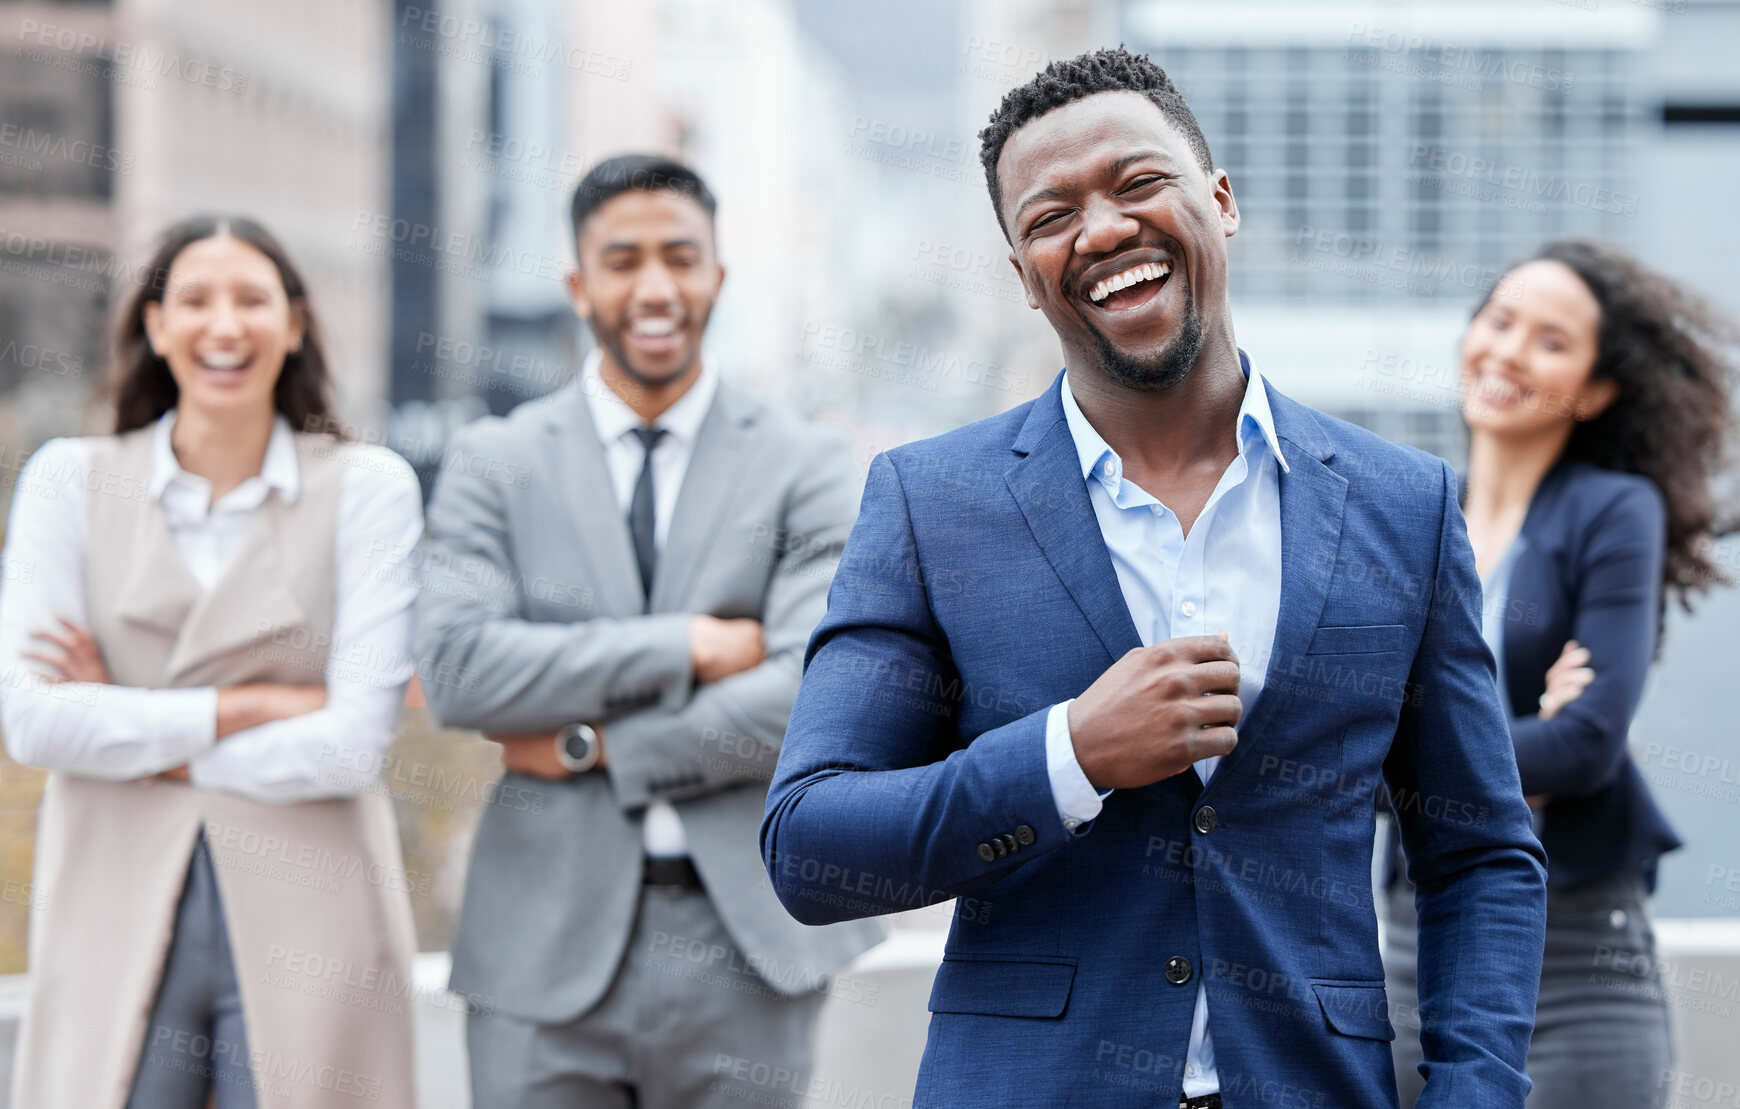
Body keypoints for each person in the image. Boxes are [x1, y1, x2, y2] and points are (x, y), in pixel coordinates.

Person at [762, 48, 1548, 1109]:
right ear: (1022, 275)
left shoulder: (1398, 506)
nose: (1099, 230)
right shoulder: (926, 503)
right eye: (1049, 217)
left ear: (1219, 202)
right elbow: (810, 845)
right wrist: (1068, 754)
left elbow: (1478, 856)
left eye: (1137, 184)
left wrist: (1474, 1093)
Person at [412, 154, 881, 1109]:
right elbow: (460, 670)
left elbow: (809, 692)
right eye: (623, 260)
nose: (656, 286)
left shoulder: (809, 463)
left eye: (681, 256)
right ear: (578, 286)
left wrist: (590, 743)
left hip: (749, 944)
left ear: (719, 275)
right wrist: (689, 646)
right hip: (538, 949)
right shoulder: (493, 462)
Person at [1, 215, 422, 1108]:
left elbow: (352, 745)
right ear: (154, 325)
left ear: (296, 323)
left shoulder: (368, 487)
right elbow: (33, 720)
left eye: (252, 300)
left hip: (318, 906)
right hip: (108, 899)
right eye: (194, 299)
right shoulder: (68, 481)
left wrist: (127, 721)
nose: (223, 326)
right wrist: (251, 706)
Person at [1381, 239, 1740, 1109]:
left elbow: (1587, 745)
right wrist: (1521, 755)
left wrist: (1422, 762)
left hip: (1580, 959)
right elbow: (1346, 740)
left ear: (1593, 390)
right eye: (1501, 319)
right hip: (1416, 950)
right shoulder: (1411, 510)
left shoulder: (1614, 510)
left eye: (1551, 341)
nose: (1509, 349)